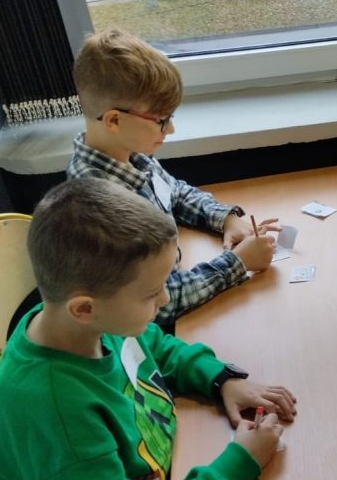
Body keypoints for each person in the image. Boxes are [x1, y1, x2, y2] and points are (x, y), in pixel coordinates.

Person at [0, 178, 298, 480]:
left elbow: (154, 346)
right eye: (151, 294)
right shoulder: (55, 414)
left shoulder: (85, 324)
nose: (165, 299)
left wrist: (220, 379)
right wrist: (238, 464)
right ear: (84, 308)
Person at [67, 28, 277, 324]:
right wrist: (238, 262)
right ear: (114, 120)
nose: (171, 130)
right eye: (161, 120)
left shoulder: (127, 153)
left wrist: (225, 219)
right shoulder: (101, 206)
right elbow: (158, 304)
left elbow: (174, 192)